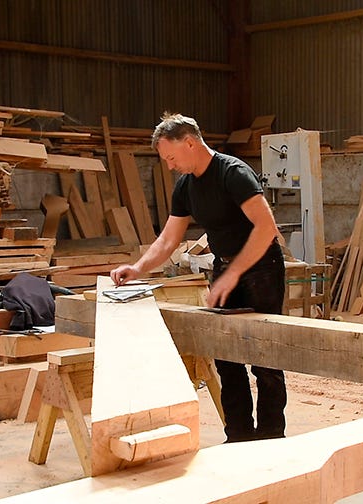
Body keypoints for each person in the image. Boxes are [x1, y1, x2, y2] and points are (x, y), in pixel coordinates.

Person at [110, 112, 287, 443]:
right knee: (226, 356)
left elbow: (267, 228)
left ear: (190, 143)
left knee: (266, 359)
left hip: (261, 268)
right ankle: (238, 436)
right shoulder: (186, 186)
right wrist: (137, 268)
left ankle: (271, 437)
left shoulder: (232, 173)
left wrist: (234, 273)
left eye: (171, 157)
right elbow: (168, 239)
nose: (170, 165)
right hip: (225, 269)